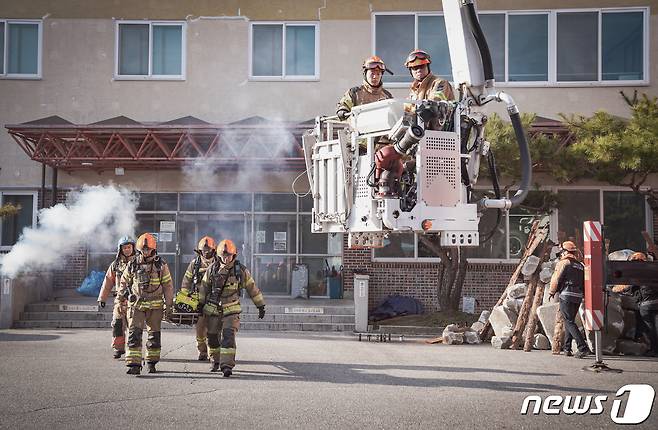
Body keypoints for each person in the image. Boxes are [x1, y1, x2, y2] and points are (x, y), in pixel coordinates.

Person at [199, 239, 266, 377]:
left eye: (228, 255)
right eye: (223, 256)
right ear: (218, 255)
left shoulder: (240, 270)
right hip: (213, 310)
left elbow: (252, 287)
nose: (226, 258)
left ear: (234, 255)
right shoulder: (212, 269)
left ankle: (227, 366)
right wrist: (200, 304)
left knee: (228, 337)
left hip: (231, 310)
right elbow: (204, 288)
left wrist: (260, 305)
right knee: (212, 338)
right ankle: (215, 360)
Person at [116, 233, 174, 375]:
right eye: (143, 250)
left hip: (155, 306)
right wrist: (120, 299)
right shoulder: (133, 264)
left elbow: (168, 286)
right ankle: (133, 364)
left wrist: (169, 305)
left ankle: (151, 362)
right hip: (137, 305)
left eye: (148, 250)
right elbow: (123, 282)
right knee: (134, 334)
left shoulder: (161, 265)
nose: (145, 252)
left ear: (153, 249)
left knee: (154, 336)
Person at [548, 241, 590, 358]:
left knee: (568, 321)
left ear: (565, 252)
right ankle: (567, 348)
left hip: (566, 295)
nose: (561, 254)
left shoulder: (564, 263)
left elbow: (556, 279)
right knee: (569, 320)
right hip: (577, 296)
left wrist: (552, 292)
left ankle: (582, 347)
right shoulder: (581, 266)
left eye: (562, 252)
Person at [97, 236, 136, 359]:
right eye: (125, 247)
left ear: (133, 248)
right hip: (120, 301)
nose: (127, 250)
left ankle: (133, 349)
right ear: (120, 249)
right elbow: (108, 281)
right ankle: (118, 348)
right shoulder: (115, 265)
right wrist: (102, 298)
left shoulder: (138, 263)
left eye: (129, 247)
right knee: (117, 325)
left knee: (134, 327)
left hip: (134, 302)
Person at [612, 252, 658, 356]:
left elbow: (626, 286)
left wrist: (614, 289)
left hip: (646, 303)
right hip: (656, 301)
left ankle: (653, 350)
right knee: (656, 327)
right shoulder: (652, 269)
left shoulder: (638, 271)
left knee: (648, 328)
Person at [179, 236, 217, 361]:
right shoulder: (195, 264)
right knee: (200, 329)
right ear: (200, 251)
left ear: (214, 250)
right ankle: (202, 351)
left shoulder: (219, 263)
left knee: (214, 330)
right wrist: (185, 299)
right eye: (203, 250)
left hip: (215, 301)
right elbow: (186, 282)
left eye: (208, 250)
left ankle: (214, 354)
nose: (206, 252)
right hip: (199, 302)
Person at [405, 49, 455, 131]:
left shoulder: (440, 83)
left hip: (439, 133)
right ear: (411, 71)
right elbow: (407, 114)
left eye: (421, 66)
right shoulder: (413, 92)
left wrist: (413, 112)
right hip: (420, 133)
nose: (418, 70)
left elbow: (432, 104)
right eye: (414, 68)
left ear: (427, 66)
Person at [336, 55, 393, 122]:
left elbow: (393, 114)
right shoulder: (354, 93)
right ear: (365, 74)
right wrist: (342, 110)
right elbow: (344, 105)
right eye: (372, 73)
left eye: (378, 74)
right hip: (359, 131)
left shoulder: (387, 96)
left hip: (382, 131)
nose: (375, 77)